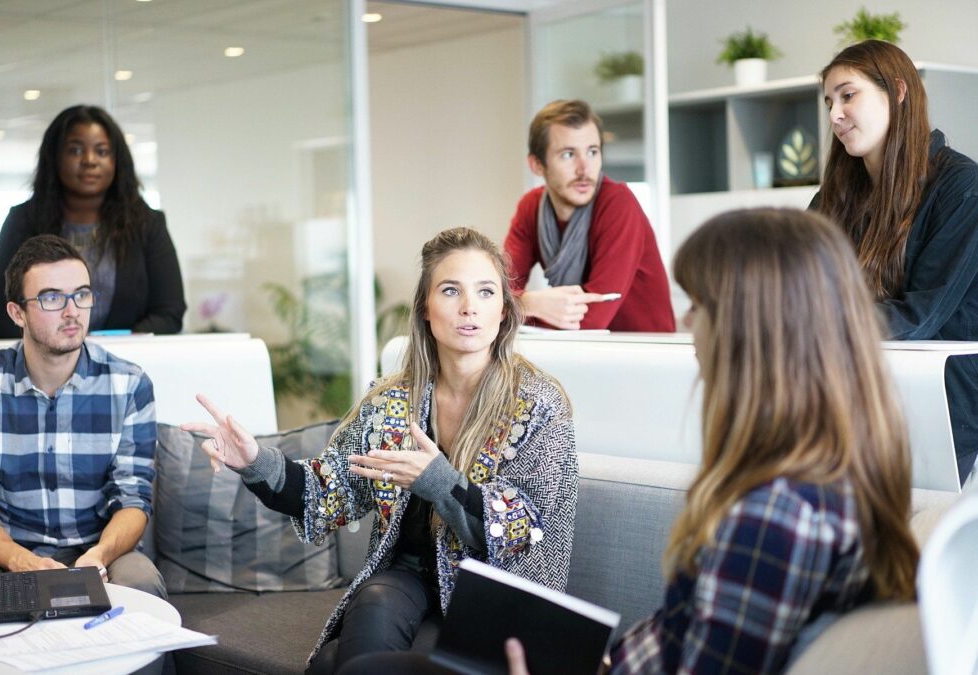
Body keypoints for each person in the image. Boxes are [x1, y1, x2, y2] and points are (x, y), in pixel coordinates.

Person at [345, 209, 920, 675]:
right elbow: (687, 637)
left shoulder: (775, 518)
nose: (689, 324)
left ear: (756, 332)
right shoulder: (825, 482)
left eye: (700, 305)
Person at [183, 227, 578, 673]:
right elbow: (326, 489)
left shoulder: (540, 405)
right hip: (407, 577)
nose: (469, 306)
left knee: (334, 662)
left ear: (503, 311)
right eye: (451, 290)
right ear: (426, 309)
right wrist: (255, 462)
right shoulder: (392, 400)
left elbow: (522, 531)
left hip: (495, 592)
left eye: (485, 292)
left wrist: (438, 481)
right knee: (371, 605)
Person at [0, 235, 165, 599]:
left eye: (81, 294)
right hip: (9, 553)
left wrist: (99, 556)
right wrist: (20, 560)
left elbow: (133, 498)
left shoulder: (129, 385)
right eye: (51, 298)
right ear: (18, 313)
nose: (72, 311)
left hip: (101, 550)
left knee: (141, 582)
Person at [812, 39, 978, 484]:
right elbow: (796, 287)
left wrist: (810, 324)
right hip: (855, 390)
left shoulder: (962, 187)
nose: (834, 115)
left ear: (898, 92)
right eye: (829, 102)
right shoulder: (832, 199)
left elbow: (920, 315)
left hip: (943, 404)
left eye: (848, 95)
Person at [0, 104, 186, 338]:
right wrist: (61, 346)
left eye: (102, 151)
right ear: (54, 157)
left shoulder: (147, 224)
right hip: (44, 367)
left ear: (117, 161)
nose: (89, 161)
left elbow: (169, 313)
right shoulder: (22, 222)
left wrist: (108, 349)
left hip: (127, 365)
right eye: (75, 150)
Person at [503, 99, 674, 332]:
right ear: (537, 165)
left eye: (592, 152)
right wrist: (529, 302)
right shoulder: (531, 207)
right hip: (581, 352)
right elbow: (495, 294)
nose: (584, 169)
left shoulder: (618, 203)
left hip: (644, 354)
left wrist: (517, 307)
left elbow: (592, 319)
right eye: (568, 154)